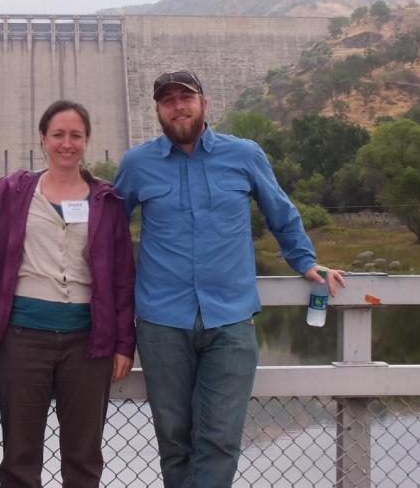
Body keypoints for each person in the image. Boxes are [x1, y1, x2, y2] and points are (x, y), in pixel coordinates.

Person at [114, 70, 346, 488]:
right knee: (174, 440)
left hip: (232, 319)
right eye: (168, 101)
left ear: (204, 103)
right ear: (158, 111)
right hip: (162, 323)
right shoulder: (137, 164)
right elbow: (109, 233)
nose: (178, 106)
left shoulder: (244, 155)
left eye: (185, 97)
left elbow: (280, 210)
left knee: (219, 440)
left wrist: (305, 262)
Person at [0, 100, 136, 488]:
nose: (66, 144)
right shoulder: (12, 191)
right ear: (42, 139)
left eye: (76, 136)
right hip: (22, 340)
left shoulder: (106, 200)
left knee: (84, 458)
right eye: (58, 135)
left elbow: (122, 277)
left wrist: (124, 343)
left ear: (87, 141)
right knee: (20, 457)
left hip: (87, 343)